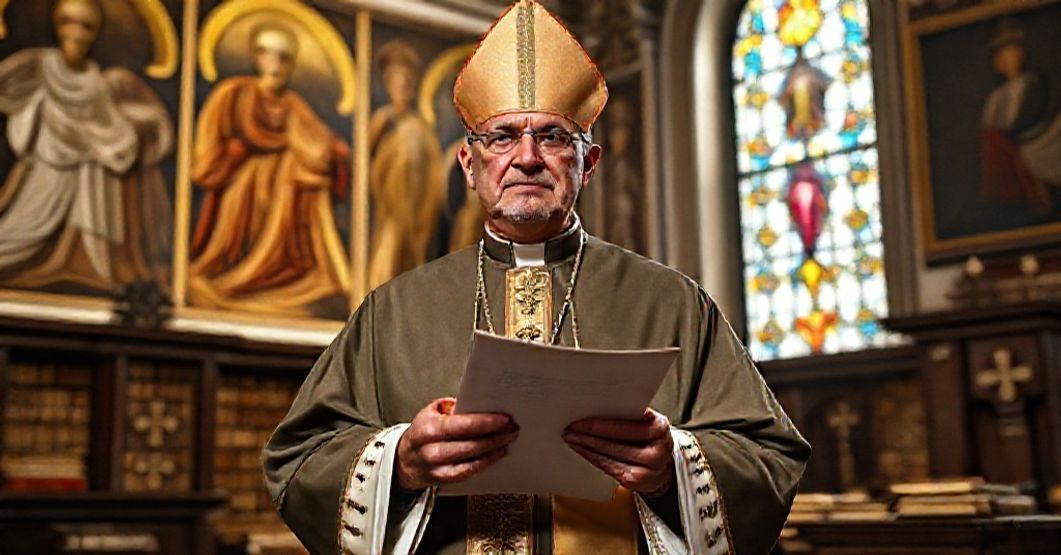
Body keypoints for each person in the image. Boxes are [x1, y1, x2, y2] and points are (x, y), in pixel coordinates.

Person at [263, 2, 809, 554]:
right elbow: (300, 456)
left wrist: (674, 466)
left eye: (551, 137)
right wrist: (399, 462)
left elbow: (768, 457)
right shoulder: (393, 310)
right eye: (501, 137)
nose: (526, 158)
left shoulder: (672, 302)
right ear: (469, 166)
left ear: (587, 164)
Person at [0, 0, 173, 291]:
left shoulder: (98, 80)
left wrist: (125, 129)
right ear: (57, 26)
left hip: (91, 174)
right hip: (49, 165)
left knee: (98, 213)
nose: (77, 34)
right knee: (26, 225)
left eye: (86, 26)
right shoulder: (40, 63)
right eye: (69, 23)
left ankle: (91, 264)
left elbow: (111, 126)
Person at [188, 23, 351, 316]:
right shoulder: (233, 94)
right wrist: (236, 156)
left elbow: (320, 145)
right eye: (267, 53)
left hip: (285, 201)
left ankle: (288, 265)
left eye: (284, 57)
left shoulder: (292, 104)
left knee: (301, 172)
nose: (275, 64)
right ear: (256, 57)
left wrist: (332, 151)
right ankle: (238, 269)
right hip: (240, 194)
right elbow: (207, 157)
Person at [367, 40, 445, 291]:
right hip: (390, 208)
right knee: (387, 257)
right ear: (389, 87)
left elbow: (434, 173)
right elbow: (366, 163)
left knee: (410, 267)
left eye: (408, 85)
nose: (403, 90)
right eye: (398, 84)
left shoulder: (420, 128)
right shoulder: (382, 121)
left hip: (415, 210)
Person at [979, 17, 1061, 216]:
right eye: (1005, 53)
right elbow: (990, 127)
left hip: (1035, 139)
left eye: (1013, 51)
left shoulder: (1033, 84)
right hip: (1008, 147)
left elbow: (1036, 116)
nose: (1011, 57)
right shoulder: (996, 97)